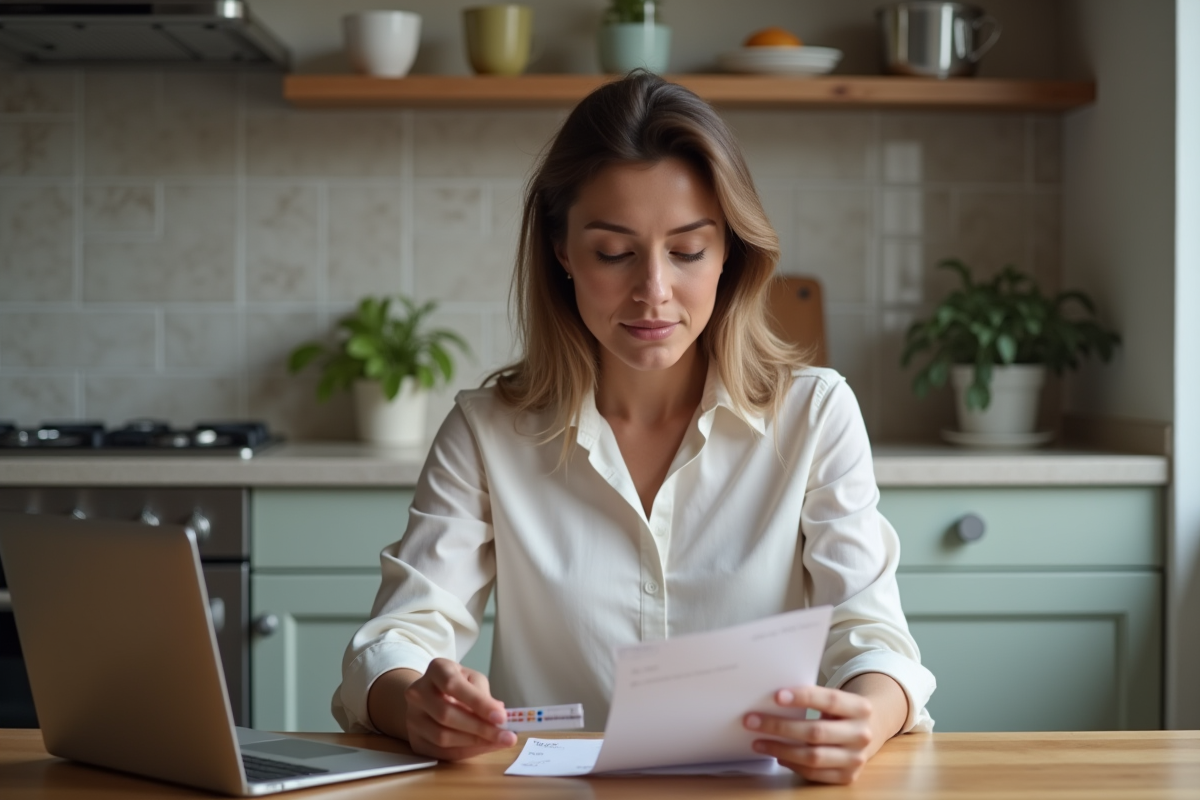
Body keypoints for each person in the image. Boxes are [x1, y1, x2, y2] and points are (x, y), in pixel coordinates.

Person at [332, 71, 935, 785]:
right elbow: (394, 640)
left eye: (687, 251)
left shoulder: (814, 415)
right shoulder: (486, 432)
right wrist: (416, 704)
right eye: (614, 253)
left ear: (730, 253)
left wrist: (865, 717)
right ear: (561, 251)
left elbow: (875, 640)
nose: (653, 290)